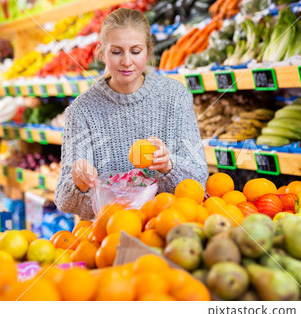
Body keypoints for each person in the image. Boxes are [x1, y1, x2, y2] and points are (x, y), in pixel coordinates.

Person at [55, 8, 208, 220]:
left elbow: (199, 180)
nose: (127, 61)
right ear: (101, 53)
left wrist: (168, 165)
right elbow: (63, 199)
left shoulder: (176, 97)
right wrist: (78, 182)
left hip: (168, 228)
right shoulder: (81, 111)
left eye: (135, 51)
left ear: (148, 51)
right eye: (116, 52)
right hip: (108, 236)